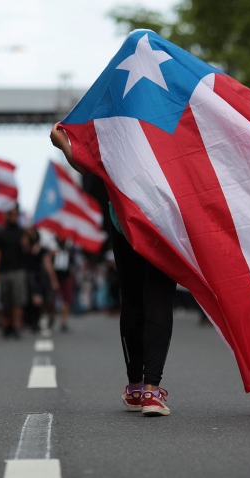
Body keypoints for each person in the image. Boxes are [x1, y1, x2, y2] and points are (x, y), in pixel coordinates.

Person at [51, 123, 175, 416]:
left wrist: (63, 145)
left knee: (132, 298)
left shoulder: (116, 124)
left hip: (124, 220)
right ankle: (152, 392)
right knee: (157, 296)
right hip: (163, 220)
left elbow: (89, 168)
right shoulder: (168, 113)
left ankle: (135, 388)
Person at [0, 205, 28, 339]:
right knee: (5, 301)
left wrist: (27, 242)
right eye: (11, 214)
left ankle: (16, 326)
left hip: (18, 271)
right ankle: (6, 325)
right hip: (4, 271)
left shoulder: (22, 232)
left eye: (16, 214)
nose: (14, 217)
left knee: (18, 301)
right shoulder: (1, 233)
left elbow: (28, 250)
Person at [50, 238, 76, 332]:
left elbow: (73, 261)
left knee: (66, 298)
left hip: (66, 274)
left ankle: (63, 321)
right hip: (55, 274)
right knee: (52, 298)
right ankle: (51, 316)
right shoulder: (52, 244)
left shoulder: (70, 245)